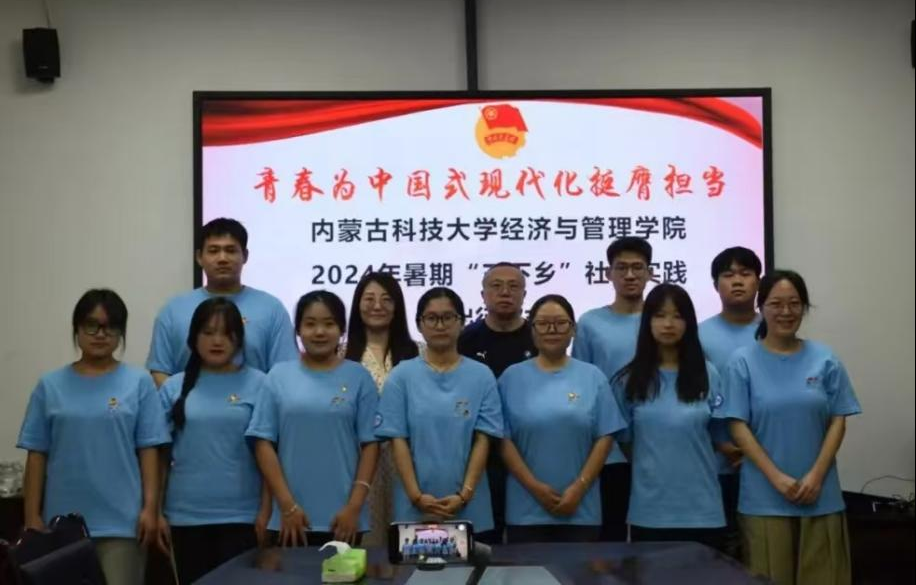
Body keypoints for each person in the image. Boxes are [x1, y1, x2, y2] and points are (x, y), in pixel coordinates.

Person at [17, 289, 170, 585]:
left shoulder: (138, 382)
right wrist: (32, 517)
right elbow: (36, 454)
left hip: (122, 524)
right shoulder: (50, 385)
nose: (101, 334)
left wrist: (151, 509)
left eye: (110, 327)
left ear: (121, 332)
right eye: (91, 325)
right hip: (60, 527)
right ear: (76, 328)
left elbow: (149, 449)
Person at [721, 270, 861, 585]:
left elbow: (838, 419)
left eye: (794, 304)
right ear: (761, 307)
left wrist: (816, 476)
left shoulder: (825, 358)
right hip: (764, 499)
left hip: (821, 496)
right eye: (776, 304)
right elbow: (737, 425)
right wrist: (777, 478)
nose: (786, 312)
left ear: (804, 307)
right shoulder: (742, 362)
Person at [247, 291, 379, 547]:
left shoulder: (359, 377)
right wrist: (287, 506)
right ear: (298, 330)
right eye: (310, 324)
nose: (319, 332)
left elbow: (371, 445)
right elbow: (263, 443)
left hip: (344, 521)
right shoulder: (278, 376)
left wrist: (354, 507)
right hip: (290, 520)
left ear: (342, 330)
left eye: (329, 324)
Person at [156, 298, 271, 584]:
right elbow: (159, 458)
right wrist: (156, 511)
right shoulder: (173, 387)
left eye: (226, 333)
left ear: (239, 339)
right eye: (208, 332)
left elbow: (269, 454)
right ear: (194, 338)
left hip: (242, 517)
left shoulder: (260, 383)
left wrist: (266, 511)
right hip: (185, 517)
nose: (217, 341)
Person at [375, 287, 504, 541]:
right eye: (432, 318)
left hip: (469, 506)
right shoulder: (402, 376)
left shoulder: (481, 375)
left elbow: (483, 440)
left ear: (462, 322)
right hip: (414, 507)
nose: (440, 325)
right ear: (419, 325)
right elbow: (397, 440)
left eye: (448, 317)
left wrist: (464, 495)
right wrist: (416, 497)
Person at [499, 294, 626, 543]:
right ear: (532, 330)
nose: (552, 330)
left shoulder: (593, 376)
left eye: (560, 323)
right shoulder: (510, 378)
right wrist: (535, 488)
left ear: (573, 329)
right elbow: (502, 440)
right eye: (543, 323)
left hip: (581, 509)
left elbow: (605, 437)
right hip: (525, 510)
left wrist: (579, 487)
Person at [612, 284, 727, 549]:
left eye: (677, 316)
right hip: (649, 512)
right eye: (660, 315)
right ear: (647, 322)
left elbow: (718, 437)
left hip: (703, 511)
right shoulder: (629, 380)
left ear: (689, 323)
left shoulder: (708, 374)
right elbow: (626, 442)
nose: (668, 324)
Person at [147, 218, 298, 386]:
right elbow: (160, 371)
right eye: (213, 251)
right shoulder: (173, 310)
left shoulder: (271, 309)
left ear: (245, 256)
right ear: (199, 257)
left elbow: (285, 373)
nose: (222, 258)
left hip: (255, 402)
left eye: (231, 250)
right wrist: (185, 401)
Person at [572, 236, 653, 541]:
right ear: (608, 273)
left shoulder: (663, 320)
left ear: (650, 272)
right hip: (608, 450)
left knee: (654, 541)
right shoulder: (590, 323)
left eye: (637, 267)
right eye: (621, 268)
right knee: (611, 536)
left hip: (656, 444)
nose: (630, 275)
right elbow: (581, 385)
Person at [458, 262, 537, 544]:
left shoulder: (538, 336)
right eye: (496, 286)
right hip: (478, 453)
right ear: (482, 295)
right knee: (483, 540)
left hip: (529, 451)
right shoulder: (465, 339)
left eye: (513, 286)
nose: (505, 292)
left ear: (524, 294)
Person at [344, 272, 420, 547]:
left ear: (398, 306)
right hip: (359, 464)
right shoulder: (341, 354)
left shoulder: (420, 353)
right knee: (364, 548)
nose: (377, 306)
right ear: (357, 305)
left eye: (387, 299)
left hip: (409, 462)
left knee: (410, 545)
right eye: (369, 299)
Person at [698, 246, 762, 557]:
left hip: (766, 461)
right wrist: (721, 443)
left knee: (760, 552)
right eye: (728, 275)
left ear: (758, 281)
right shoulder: (699, 334)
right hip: (715, 463)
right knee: (720, 554)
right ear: (715, 285)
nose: (737, 281)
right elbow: (694, 397)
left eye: (745, 274)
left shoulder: (773, 330)